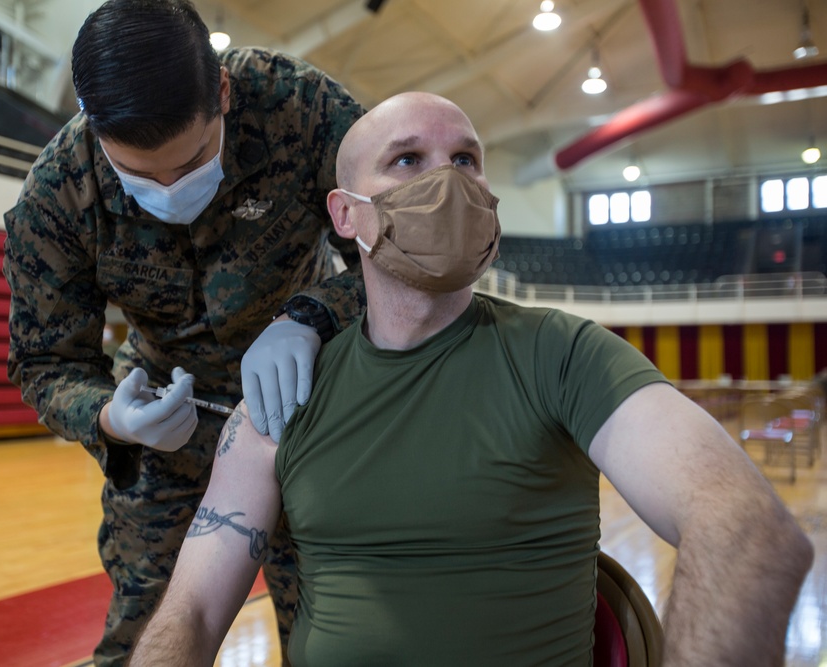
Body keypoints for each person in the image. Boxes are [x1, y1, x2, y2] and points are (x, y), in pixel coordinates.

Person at [128, 92, 814, 666]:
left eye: (466, 159)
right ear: (346, 215)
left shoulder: (561, 352)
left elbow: (747, 527)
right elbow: (189, 608)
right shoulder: (287, 394)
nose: (448, 180)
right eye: (408, 160)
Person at [1, 0, 365, 664]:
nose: (170, 187)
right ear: (96, 129)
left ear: (222, 92)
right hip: (169, 420)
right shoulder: (58, 194)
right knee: (147, 634)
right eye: (140, 175)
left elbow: (394, 251)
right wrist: (113, 416)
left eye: (192, 159)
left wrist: (315, 315)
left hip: (309, 408)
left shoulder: (300, 108)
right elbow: (44, 361)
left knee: (333, 632)